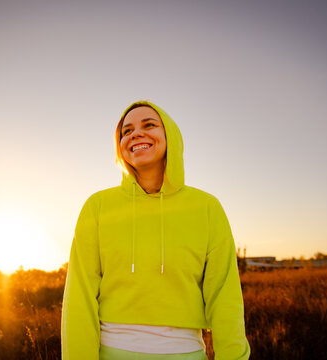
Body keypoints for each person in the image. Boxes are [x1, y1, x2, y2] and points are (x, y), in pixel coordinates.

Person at [61, 100, 250, 360]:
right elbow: (79, 297)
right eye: (126, 131)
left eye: (149, 125)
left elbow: (225, 296)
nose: (136, 133)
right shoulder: (98, 206)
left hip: (186, 354)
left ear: (169, 135)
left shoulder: (207, 208)